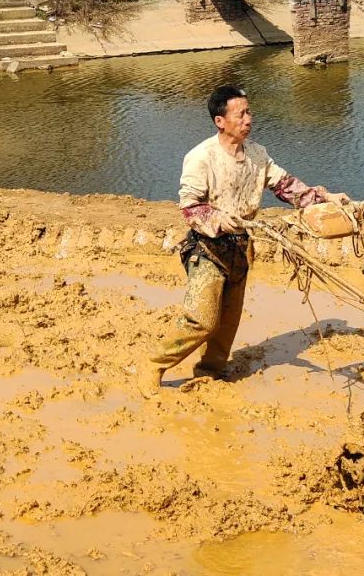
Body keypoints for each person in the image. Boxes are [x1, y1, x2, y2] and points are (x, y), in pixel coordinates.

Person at [137, 84, 349, 397]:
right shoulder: (201, 157)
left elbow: (288, 187)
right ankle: (153, 365)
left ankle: (209, 370)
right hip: (208, 249)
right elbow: (190, 205)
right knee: (202, 321)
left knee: (228, 323)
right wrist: (217, 219)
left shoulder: (257, 156)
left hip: (240, 248)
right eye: (241, 114)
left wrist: (324, 199)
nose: (249, 119)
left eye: (249, 112)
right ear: (220, 121)